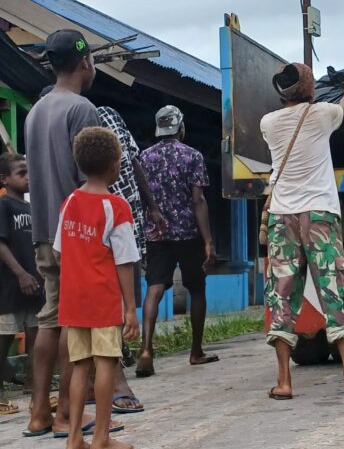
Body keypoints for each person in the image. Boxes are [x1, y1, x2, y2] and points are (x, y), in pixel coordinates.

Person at [261, 63, 344, 398]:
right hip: (320, 215)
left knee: (281, 294)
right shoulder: (323, 114)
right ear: (308, 87)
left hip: (282, 216)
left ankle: (284, 382)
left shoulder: (268, 123)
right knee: (333, 289)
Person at [24, 29, 102, 437]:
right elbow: (89, 180)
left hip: (43, 233)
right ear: (85, 61)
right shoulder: (82, 109)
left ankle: (38, 412)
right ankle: (68, 415)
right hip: (75, 234)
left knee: (50, 318)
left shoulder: (35, 111)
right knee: (76, 324)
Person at [56, 127, 140, 449]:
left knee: (80, 367)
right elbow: (125, 262)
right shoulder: (116, 207)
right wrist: (129, 308)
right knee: (106, 364)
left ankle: (75, 438)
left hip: (73, 300)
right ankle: (102, 438)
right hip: (102, 300)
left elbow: (60, 251)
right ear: (115, 165)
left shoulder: (69, 203)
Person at [135, 105, 216, 377]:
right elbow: (198, 200)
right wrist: (207, 240)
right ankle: (196, 351)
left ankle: (146, 348)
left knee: (154, 288)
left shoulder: (144, 158)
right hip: (188, 234)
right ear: (181, 127)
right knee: (197, 289)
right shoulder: (192, 155)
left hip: (157, 234)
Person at [96, 105, 164, 413]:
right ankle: (118, 378)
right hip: (116, 225)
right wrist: (128, 311)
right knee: (118, 291)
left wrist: (149, 205)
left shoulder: (110, 113)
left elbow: (134, 161)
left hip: (125, 218)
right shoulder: (110, 206)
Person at [0, 153, 42, 414]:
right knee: (6, 335)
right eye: (22, 173)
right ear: (4, 179)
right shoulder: (3, 206)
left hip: (34, 282)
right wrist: (20, 274)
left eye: (29, 172)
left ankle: (34, 382)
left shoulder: (30, 207)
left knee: (35, 333)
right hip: (12, 283)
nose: (28, 177)